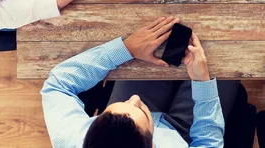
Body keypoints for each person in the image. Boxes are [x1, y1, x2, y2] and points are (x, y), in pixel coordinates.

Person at [41, 17, 240, 148]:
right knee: (228, 52)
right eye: (141, 111)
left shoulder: (71, 138)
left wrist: (126, 48)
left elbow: (58, 84)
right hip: (184, 135)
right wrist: (202, 82)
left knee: (158, 33)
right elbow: (208, 143)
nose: (134, 98)